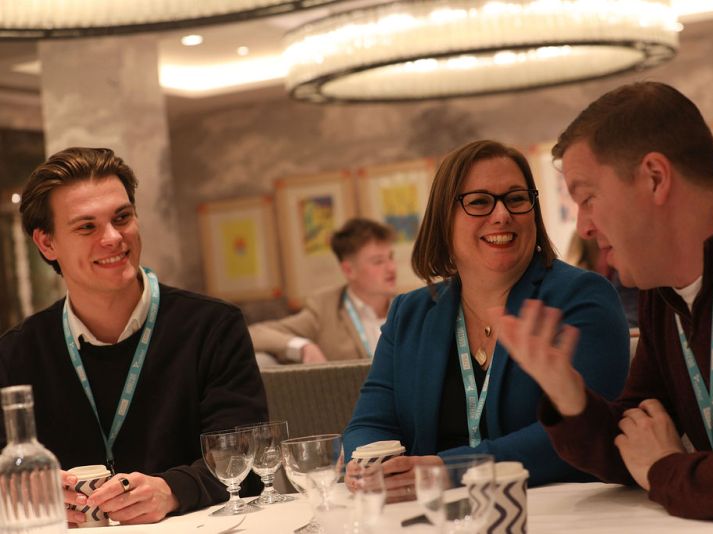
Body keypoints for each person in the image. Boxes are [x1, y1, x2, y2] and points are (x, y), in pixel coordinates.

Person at [494, 81, 713, 520]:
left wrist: (663, 469)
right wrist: (567, 393)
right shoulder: (662, 293)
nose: (583, 227)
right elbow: (630, 446)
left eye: (587, 198)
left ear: (655, 178)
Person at [343, 140, 630, 498]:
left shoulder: (581, 297)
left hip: (557, 509)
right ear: (443, 220)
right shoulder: (409, 314)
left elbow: (584, 432)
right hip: (434, 514)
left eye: (516, 199)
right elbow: (370, 423)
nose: (502, 215)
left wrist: (450, 470)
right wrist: (369, 465)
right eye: (479, 202)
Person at [0, 147, 267, 526]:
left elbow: (248, 462)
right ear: (47, 243)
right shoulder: (16, 352)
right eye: (87, 227)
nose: (113, 237)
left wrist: (173, 490)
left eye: (122, 217)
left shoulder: (213, 327)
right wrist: (22, 489)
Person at [249, 217, 397, 363]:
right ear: (349, 270)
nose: (391, 268)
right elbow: (255, 334)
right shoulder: (325, 308)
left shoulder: (405, 306)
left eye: (391, 257)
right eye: (378, 261)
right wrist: (302, 347)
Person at [565, 232, 639, 328]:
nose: (612, 254)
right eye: (608, 248)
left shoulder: (621, 278)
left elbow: (629, 322)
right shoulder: (584, 284)